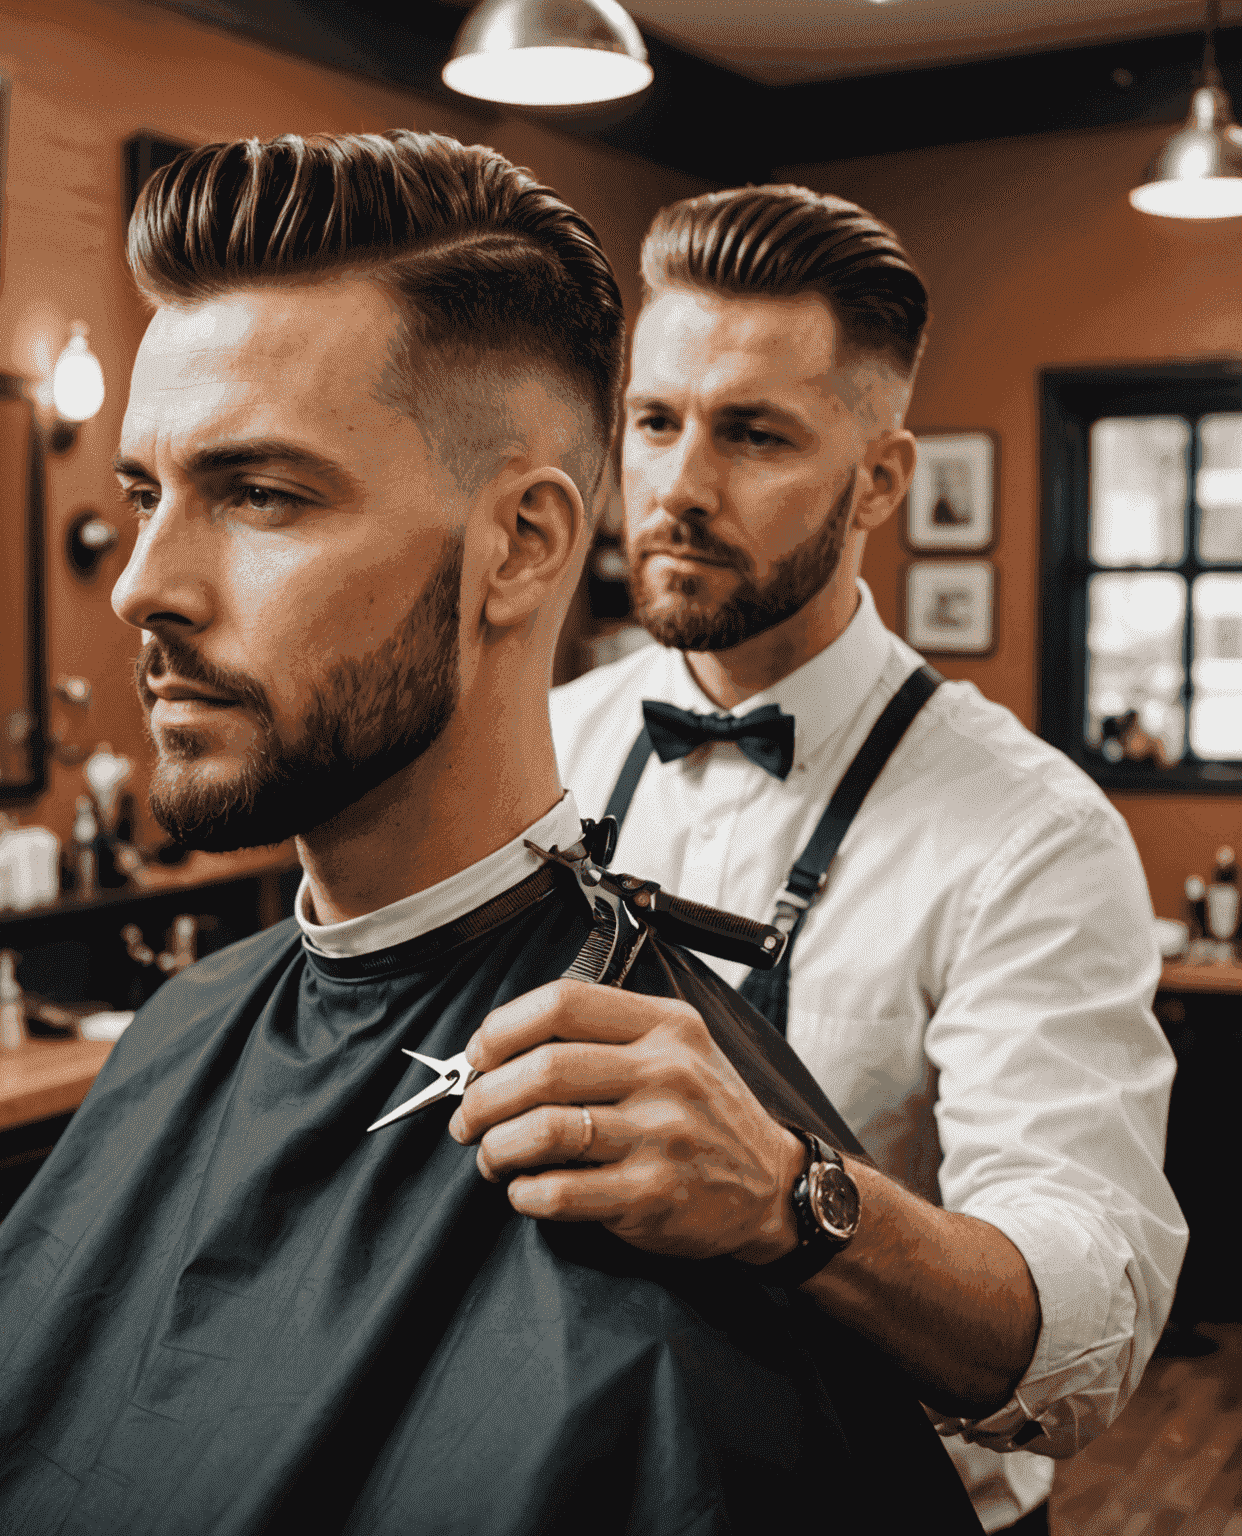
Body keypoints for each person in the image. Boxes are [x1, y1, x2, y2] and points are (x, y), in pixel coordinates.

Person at [0, 134, 982, 1535]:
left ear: (519, 548)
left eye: (261, 495)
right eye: (147, 494)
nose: (144, 585)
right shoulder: (189, 1023)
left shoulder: (686, 1155)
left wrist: (804, 1207)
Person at [546, 184, 1187, 1533]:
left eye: (754, 434)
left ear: (881, 480)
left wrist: (791, 1201)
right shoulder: (531, 753)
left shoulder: (1035, 834)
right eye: (654, 422)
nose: (676, 487)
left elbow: (1085, 1332)